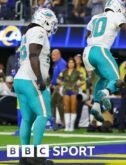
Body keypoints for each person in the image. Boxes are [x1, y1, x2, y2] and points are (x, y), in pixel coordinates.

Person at [13, 8, 57, 165]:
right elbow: (33, 55)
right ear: (45, 20)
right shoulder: (39, 30)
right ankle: (35, 156)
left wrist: (44, 74)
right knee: (44, 115)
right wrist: (40, 78)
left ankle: (24, 156)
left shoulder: (27, 33)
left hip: (20, 79)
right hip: (30, 79)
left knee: (27, 118)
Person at [57, 58, 85, 132]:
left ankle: (71, 126)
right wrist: (62, 83)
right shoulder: (64, 72)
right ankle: (67, 126)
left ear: (74, 64)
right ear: (67, 64)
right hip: (66, 90)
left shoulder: (77, 72)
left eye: (72, 62)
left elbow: (83, 80)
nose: (71, 64)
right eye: (69, 62)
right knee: (66, 108)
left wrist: (79, 83)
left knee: (73, 108)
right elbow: (58, 79)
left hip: (74, 90)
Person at [51, 49, 67, 129]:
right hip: (56, 86)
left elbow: (64, 75)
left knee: (53, 103)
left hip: (59, 87)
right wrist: (52, 83)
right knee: (58, 104)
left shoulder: (61, 63)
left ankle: (54, 122)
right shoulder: (57, 63)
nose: (52, 57)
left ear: (58, 54)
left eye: (53, 55)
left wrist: (60, 85)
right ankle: (60, 122)